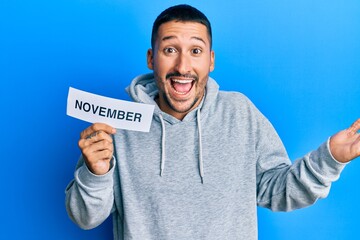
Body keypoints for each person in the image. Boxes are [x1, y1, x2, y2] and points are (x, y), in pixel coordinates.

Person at [65, 4, 360, 240]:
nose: (183, 66)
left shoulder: (240, 113)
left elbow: (280, 191)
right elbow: (85, 217)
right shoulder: (117, 125)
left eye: (195, 51)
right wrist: (95, 173)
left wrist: (330, 158)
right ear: (151, 58)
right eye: (170, 50)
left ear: (211, 60)